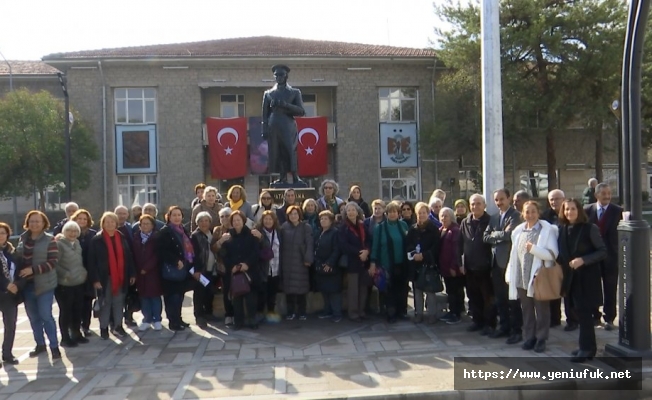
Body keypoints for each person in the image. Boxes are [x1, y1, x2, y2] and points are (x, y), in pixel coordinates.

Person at [505, 201, 559, 353]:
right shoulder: (519, 231)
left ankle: (542, 338)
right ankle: (530, 337)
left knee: (541, 310)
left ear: (538, 212)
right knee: (527, 309)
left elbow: (552, 254)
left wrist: (534, 249)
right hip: (522, 276)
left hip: (539, 277)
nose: (530, 215)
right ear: (522, 214)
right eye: (527, 212)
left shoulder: (546, 230)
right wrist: (510, 274)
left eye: (533, 211)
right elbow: (514, 255)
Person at [557, 199, 606, 363]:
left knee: (585, 314)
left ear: (579, 210)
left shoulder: (589, 228)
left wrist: (583, 260)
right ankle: (586, 346)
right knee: (577, 313)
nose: (569, 212)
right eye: (566, 209)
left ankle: (587, 349)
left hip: (587, 278)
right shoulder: (562, 229)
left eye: (572, 209)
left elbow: (602, 251)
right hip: (571, 278)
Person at [16, 211, 60, 359]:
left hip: (45, 284)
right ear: (27, 223)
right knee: (33, 317)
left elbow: (53, 262)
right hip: (27, 285)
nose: (34, 224)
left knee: (45, 315)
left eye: (37, 221)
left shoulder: (50, 239)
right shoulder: (23, 239)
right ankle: (40, 344)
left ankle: (54, 347)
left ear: (44, 223)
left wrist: (33, 270)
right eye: (32, 221)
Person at [483, 189, 523, 344]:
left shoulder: (516, 216)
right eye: (496, 200)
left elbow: (509, 235)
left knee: (513, 299)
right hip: (496, 264)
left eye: (502, 199)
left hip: (510, 263)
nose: (499, 203)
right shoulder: (494, 218)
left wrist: (496, 234)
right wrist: (499, 234)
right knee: (500, 299)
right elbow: (485, 237)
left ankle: (516, 330)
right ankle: (504, 327)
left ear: (509, 198)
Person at [88, 212, 136, 340]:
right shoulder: (97, 240)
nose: (109, 224)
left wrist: (131, 273)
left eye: (112, 222)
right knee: (106, 303)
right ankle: (104, 328)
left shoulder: (121, 237)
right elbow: (91, 262)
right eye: (107, 222)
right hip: (104, 278)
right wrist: (95, 280)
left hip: (121, 277)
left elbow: (128, 257)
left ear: (116, 223)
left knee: (119, 303)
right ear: (102, 223)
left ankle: (118, 326)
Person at [584, 183, 622, 331]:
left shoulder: (618, 211)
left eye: (609, 193)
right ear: (596, 195)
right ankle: (595, 315)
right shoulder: (587, 210)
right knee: (593, 287)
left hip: (611, 257)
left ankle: (609, 318)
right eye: (603, 193)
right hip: (592, 256)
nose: (607, 196)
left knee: (610, 288)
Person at [262, 64, 306, 184]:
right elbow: (264, 114)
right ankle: (282, 177)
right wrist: (264, 129)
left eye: (281, 75)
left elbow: (301, 111)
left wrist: (285, 105)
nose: (279, 77)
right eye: (276, 75)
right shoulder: (268, 93)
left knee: (290, 150)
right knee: (278, 151)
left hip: (288, 124)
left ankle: (295, 177)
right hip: (273, 124)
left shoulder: (294, 92)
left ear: (286, 76)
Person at [459, 194, 495, 335]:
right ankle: (477, 321)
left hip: (485, 267)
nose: (475, 206)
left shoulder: (490, 221)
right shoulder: (465, 222)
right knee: (473, 296)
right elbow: (459, 244)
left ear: (484, 205)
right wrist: (459, 262)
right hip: (470, 267)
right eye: (473, 204)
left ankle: (489, 324)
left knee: (487, 297)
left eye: (478, 203)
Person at [220, 211, 261, 330]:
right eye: (234, 220)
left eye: (239, 220)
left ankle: (252, 320)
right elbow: (224, 254)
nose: (236, 222)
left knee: (250, 296)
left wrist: (247, 264)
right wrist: (231, 266)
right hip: (234, 271)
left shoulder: (251, 234)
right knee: (237, 298)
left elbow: (255, 252)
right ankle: (238, 322)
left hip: (249, 270)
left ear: (243, 221)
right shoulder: (228, 236)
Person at [370, 201, 409, 324]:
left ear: (398, 213)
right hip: (386, 264)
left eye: (395, 212)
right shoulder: (379, 228)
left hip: (402, 263)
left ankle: (401, 311)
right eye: (390, 212)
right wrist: (372, 263)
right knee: (389, 290)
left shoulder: (403, 225)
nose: (392, 214)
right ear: (386, 214)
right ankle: (391, 313)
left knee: (402, 288)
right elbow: (375, 246)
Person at [157, 206, 193, 331]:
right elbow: (161, 251)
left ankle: (179, 318)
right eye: (174, 215)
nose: (177, 217)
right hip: (171, 271)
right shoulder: (165, 232)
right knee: (172, 297)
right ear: (169, 217)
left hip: (183, 269)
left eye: (179, 215)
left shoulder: (183, 230)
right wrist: (175, 260)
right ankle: (173, 321)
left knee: (180, 296)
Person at [54, 221, 88, 347]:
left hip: (78, 282)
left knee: (77, 310)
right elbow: (55, 264)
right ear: (64, 231)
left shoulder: (77, 243)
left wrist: (83, 272)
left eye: (75, 231)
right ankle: (65, 337)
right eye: (69, 230)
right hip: (64, 284)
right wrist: (65, 274)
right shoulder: (59, 244)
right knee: (66, 311)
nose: (72, 233)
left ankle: (76, 333)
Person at [406, 202, 441, 324]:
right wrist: (413, 254)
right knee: (417, 290)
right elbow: (408, 244)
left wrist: (424, 255)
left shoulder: (434, 230)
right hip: (415, 264)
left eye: (424, 213)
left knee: (430, 291)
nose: (421, 215)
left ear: (428, 213)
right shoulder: (412, 229)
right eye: (419, 213)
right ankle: (418, 313)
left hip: (429, 264)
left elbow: (436, 247)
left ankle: (432, 314)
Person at [541, 189, 569, 328]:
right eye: (551, 199)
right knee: (553, 287)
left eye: (557, 199)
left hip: (568, 257)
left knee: (568, 290)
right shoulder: (545, 215)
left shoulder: (569, 212)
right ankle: (555, 318)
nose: (554, 202)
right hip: (552, 257)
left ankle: (572, 319)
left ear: (563, 199)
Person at [279, 205, 314, 320]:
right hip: (287, 262)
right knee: (289, 289)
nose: (293, 216)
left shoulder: (306, 227)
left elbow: (309, 244)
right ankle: (290, 312)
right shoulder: (284, 227)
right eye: (291, 214)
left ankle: (302, 312)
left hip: (301, 262)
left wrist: (308, 259)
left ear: (299, 215)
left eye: (295, 213)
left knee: (301, 289)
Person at [339, 203, 371, 321]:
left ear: (357, 212)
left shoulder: (363, 226)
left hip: (364, 262)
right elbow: (344, 245)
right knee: (353, 289)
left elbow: (369, 240)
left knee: (363, 287)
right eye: (349, 210)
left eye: (353, 210)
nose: (351, 212)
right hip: (352, 262)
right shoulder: (343, 228)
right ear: (346, 213)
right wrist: (360, 253)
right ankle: (353, 313)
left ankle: (361, 310)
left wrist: (367, 251)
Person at [132, 214, 163, 331]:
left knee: (154, 296)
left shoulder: (156, 238)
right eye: (143, 224)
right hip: (139, 273)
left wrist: (147, 267)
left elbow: (157, 255)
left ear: (152, 226)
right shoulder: (136, 238)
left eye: (147, 224)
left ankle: (157, 319)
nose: (145, 226)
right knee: (143, 297)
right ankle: (147, 319)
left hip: (153, 272)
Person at [71, 209, 97, 337]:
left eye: (84, 219)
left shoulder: (92, 234)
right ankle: (74, 327)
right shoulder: (70, 233)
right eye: (79, 218)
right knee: (75, 302)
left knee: (87, 301)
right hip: (73, 273)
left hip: (89, 272)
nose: (82, 221)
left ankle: (85, 326)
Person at [190, 211, 218, 328]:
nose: (204, 223)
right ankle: (199, 316)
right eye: (201, 221)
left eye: (206, 220)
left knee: (209, 292)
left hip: (212, 269)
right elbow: (191, 255)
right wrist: (195, 270)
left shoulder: (212, 234)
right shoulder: (194, 236)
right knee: (199, 293)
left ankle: (208, 313)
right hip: (200, 270)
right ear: (197, 223)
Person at [314, 211, 342, 322]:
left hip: (332, 267)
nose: (323, 221)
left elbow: (337, 249)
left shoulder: (335, 232)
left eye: (325, 219)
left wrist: (330, 263)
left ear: (331, 221)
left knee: (334, 292)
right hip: (320, 266)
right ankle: (327, 311)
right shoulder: (319, 232)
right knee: (325, 291)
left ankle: (337, 313)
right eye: (321, 219)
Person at [0, 222, 21, 365]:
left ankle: (7, 353)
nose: (0, 236)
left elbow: (20, 271)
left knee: (11, 325)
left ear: (7, 235)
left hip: (10, 295)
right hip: (2, 289)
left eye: (3, 233)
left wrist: (16, 285)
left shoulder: (12, 252)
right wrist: (6, 285)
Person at [438, 208, 464, 325]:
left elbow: (456, 250)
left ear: (451, 217)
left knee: (455, 291)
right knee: (450, 291)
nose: (444, 218)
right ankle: (452, 311)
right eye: (442, 216)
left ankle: (456, 313)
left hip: (453, 268)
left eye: (446, 216)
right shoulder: (441, 229)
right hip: (444, 268)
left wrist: (454, 266)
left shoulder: (455, 230)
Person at [255, 210, 282, 321]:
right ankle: (260, 313)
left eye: (270, 219)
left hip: (275, 267)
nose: (268, 221)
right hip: (263, 268)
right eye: (266, 219)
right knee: (262, 292)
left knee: (272, 292)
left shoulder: (278, 232)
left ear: (274, 220)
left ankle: (271, 312)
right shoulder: (258, 233)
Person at [212, 207, 234, 326]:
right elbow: (213, 248)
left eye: (227, 216)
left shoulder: (236, 227)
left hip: (236, 265)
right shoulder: (217, 230)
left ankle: (237, 314)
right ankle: (229, 314)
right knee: (226, 291)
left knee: (237, 290)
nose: (224, 218)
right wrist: (221, 240)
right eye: (222, 216)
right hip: (223, 266)